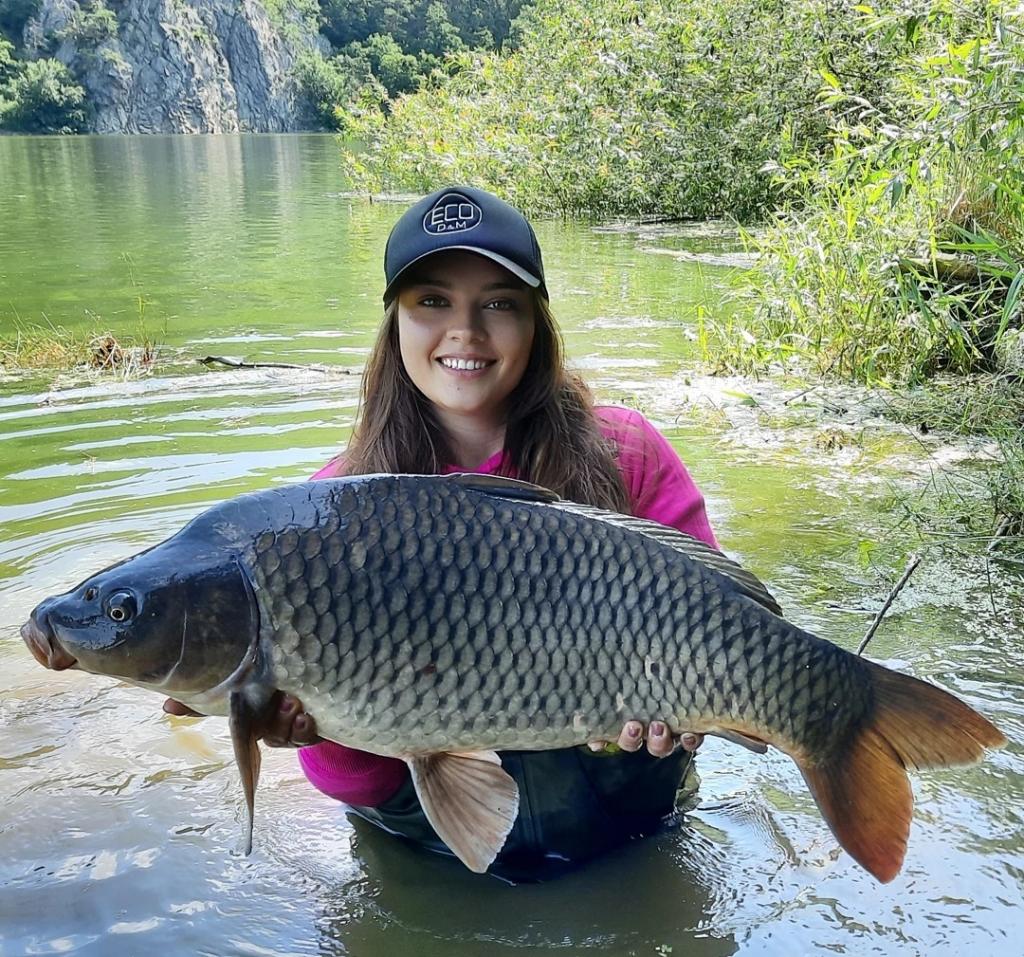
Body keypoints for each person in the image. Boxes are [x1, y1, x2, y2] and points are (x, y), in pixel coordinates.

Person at [166, 186, 720, 881]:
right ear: (394, 322)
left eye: (498, 302)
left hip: (632, 834)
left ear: (536, 322)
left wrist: (680, 725)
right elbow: (353, 784)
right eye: (432, 301)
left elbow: (722, 626)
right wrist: (314, 728)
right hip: (429, 853)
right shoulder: (323, 512)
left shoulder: (625, 450)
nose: (466, 331)